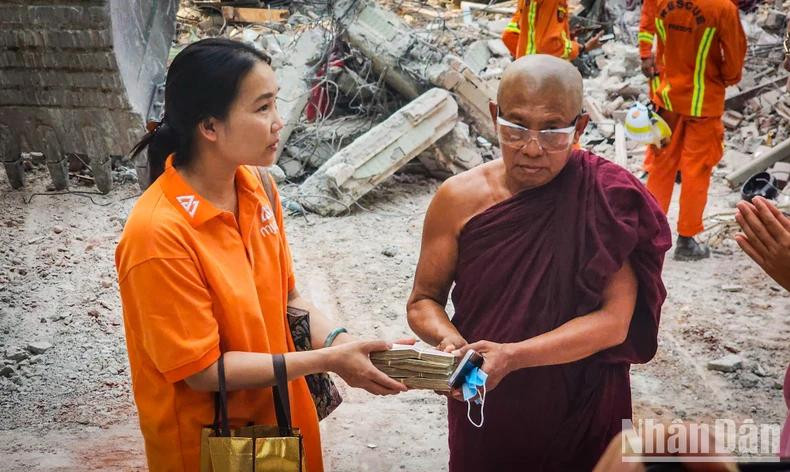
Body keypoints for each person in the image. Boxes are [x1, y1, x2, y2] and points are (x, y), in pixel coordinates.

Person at [115, 38, 409, 472]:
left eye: (276, 104)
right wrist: (329, 361)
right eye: (262, 107)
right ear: (210, 127)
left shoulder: (259, 189)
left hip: (281, 427)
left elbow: (288, 301)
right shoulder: (159, 235)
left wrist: (345, 343)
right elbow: (203, 372)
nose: (279, 122)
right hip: (210, 448)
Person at [406, 54, 672, 471]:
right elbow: (423, 301)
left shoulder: (603, 196)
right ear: (494, 116)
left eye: (553, 131)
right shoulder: (456, 200)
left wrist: (513, 355)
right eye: (515, 129)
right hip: (486, 398)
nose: (532, 149)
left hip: (584, 399)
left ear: (580, 127)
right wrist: (452, 343)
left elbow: (613, 321)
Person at [641, 0, 747, 260]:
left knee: (661, 166)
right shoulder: (722, 8)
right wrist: (722, 77)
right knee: (696, 170)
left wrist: (646, 55)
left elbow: (646, 26)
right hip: (704, 103)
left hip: (666, 98)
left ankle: (648, 235)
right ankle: (686, 241)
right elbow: (734, 64)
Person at [501, 0, 603, 59]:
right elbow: (547, 46)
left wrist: (524, 59)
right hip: (543, 77)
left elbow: (509, 35)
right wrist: (580, 48)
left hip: (523, 73)